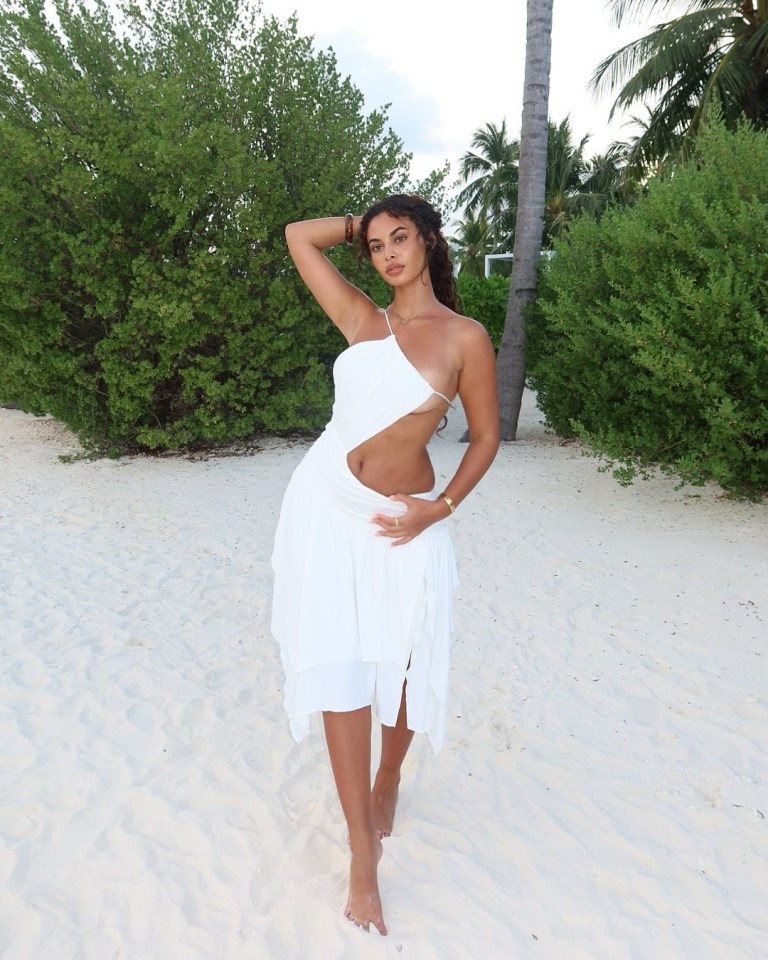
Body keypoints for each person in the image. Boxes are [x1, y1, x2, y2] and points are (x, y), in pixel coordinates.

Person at [271, 194, 499, 936]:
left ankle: (390, 772)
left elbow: (485, 438)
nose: (389, 254)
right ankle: (361, 853)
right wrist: (353, 222)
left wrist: (443, 508)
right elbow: (296, 238)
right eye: (375, 246)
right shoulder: (364, 320)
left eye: (401, 238)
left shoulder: (464, 337)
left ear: (429, 242)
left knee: (400, 664)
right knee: (341, 665)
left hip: (404, 522)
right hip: (325, 507)